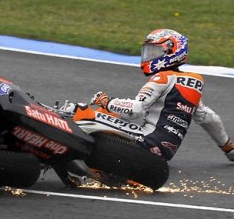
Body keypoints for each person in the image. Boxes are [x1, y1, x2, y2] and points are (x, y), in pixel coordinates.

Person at [86, 29, 233, 161]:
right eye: (148, 52)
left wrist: (106, 101)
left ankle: (81, 146)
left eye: (154, 52)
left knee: (87, 114)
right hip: (165, 152)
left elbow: (135, 110)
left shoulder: (162, 78)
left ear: (171, 52)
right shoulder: (193, 83)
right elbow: (209, 118)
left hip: (145, 140)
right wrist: (227, 146)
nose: (149, 56)